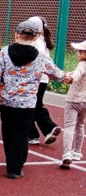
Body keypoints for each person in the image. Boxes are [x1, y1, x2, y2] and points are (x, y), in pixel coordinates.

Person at [0, 20, 65, 179]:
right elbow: (57, 74)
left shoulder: (4, 52)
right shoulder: (41, 57)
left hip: (6, 100)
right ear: (36, 37)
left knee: (8, 131)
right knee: (21, 134)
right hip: (27, 102)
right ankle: (15, 167)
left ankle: (10, 161)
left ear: (16, 34)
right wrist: (69, 77)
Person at [26, 16, 62, 145]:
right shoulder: (42, 39)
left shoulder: (36, 41)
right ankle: (38, 132)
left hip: (36, 78)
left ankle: (47, 128)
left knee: (31, 105)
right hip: (42, 78)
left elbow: (40, 56)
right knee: (34, 104)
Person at [60, 40, 86, 170]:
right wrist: (68, 74)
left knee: (69, 126)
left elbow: (78, 72)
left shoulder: (82, 64)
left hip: (73, 100)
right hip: (85, 101)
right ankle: (77, 151)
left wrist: (70, 78)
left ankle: (67, 153)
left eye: (79, 51)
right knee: (80, 125)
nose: (77, 53)